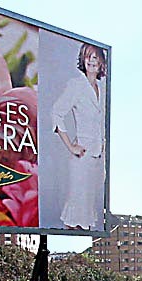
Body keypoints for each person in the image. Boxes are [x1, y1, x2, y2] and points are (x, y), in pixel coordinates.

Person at [51, 43, 107, 230]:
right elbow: (57, 112)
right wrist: (71, 146)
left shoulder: (101, 88)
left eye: (95, 57)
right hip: (81, 159)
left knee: (88, 213)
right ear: (83, 59)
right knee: (76, 214)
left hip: (97, 159)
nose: (92, 60)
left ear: (101, 62)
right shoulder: (76, 85)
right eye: (88, 56)